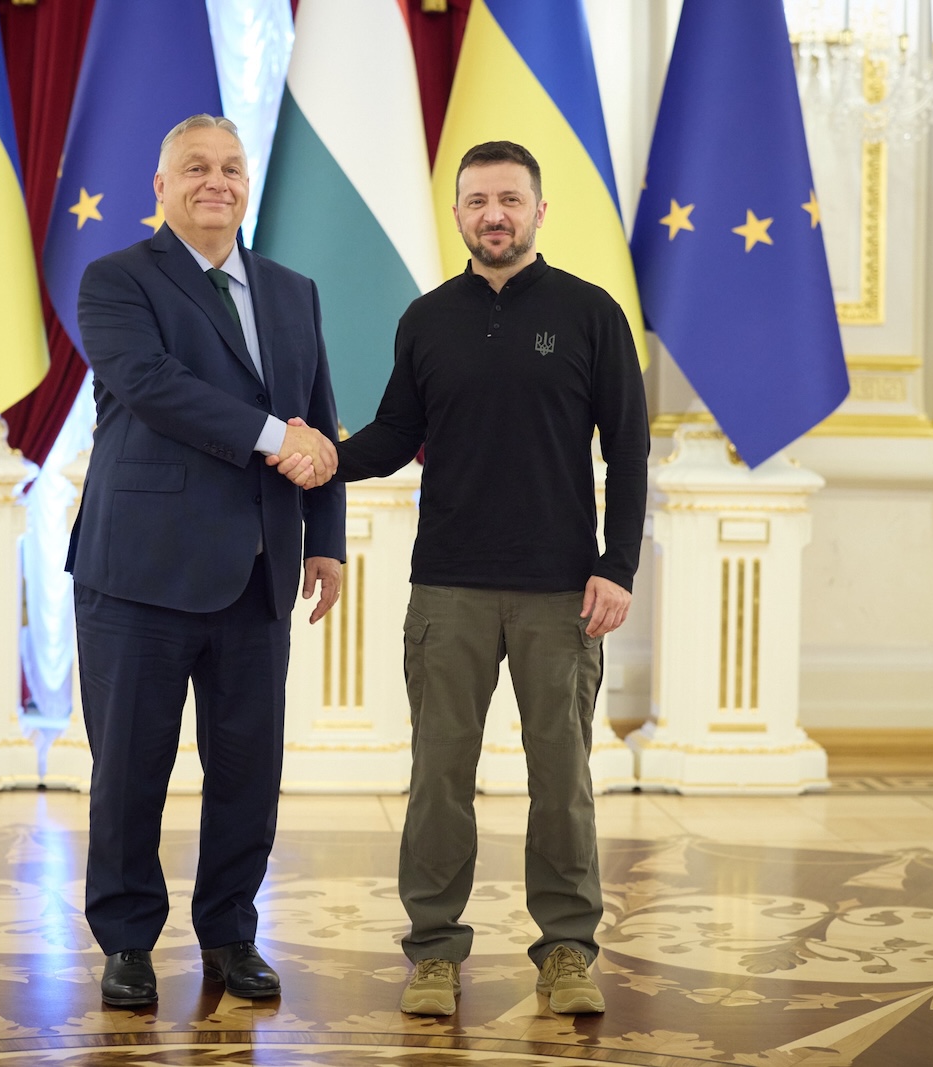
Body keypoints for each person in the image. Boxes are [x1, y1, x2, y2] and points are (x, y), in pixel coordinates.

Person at [275, 140, 648, 1017]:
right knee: (440, 771)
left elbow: (628, 450)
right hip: (448, 588)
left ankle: (566, 950)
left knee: (563, 776)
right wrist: (323, 452)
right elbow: (394, 435)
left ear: (539, 211)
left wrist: (617, 566)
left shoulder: (592, 313)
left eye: (510, 199)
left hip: (565, 592)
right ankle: (434, 952)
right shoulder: (427, 318)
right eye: (478, 200)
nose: (495, 215)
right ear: (458, 215)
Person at [68, 113, 345, 1008]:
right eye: (195, 168)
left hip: (261, 572)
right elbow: (154, 388)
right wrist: (277, 439)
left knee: (248, 770)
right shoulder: (116, 282)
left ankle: (230, 933)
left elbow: (320, 424)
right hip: (138, 573)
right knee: (130, 770)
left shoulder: (293, 289)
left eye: (230, 167)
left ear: (247, 183)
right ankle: (126, 943)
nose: (215, 181)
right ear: (161, 187)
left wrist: (328, 538)